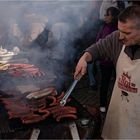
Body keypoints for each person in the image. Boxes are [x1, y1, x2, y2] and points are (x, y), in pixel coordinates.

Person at [74, 5, 140, 139]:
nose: (121, 37)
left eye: (127, 33)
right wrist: (84, 58)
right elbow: (97, 49)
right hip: (119, 116)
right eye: (120, 30)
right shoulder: (118, 39)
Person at [96, 7, 120, 112]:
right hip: (105, 62)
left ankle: (118, 104)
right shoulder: (103, 27)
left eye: (107, 15)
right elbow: (98, 41)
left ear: (113, 17)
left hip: (116, 62)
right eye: (105, 14)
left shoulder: (118, 29)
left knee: (118, 83)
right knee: (104, 83)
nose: (105, 17)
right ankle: (103, 105)